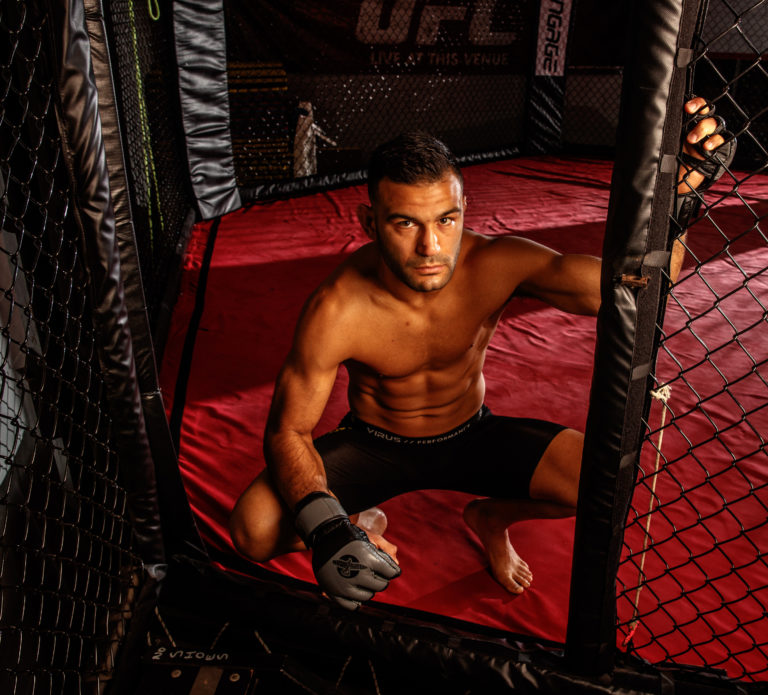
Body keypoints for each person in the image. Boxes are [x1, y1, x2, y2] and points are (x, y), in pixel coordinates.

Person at [229, 97, 734, 610]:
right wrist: (327, 529)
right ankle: (362, 519)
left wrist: (681, 195)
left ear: (463, 210)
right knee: (253, 530)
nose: (431, 246)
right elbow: (288, 431)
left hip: (470, 434)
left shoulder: (496, 262)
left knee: (604, 481)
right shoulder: (337, 308)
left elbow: (635, 291)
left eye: (446, 220)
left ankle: (492, 518)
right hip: (376, 443)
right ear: (369, 222)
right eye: (405, 224)